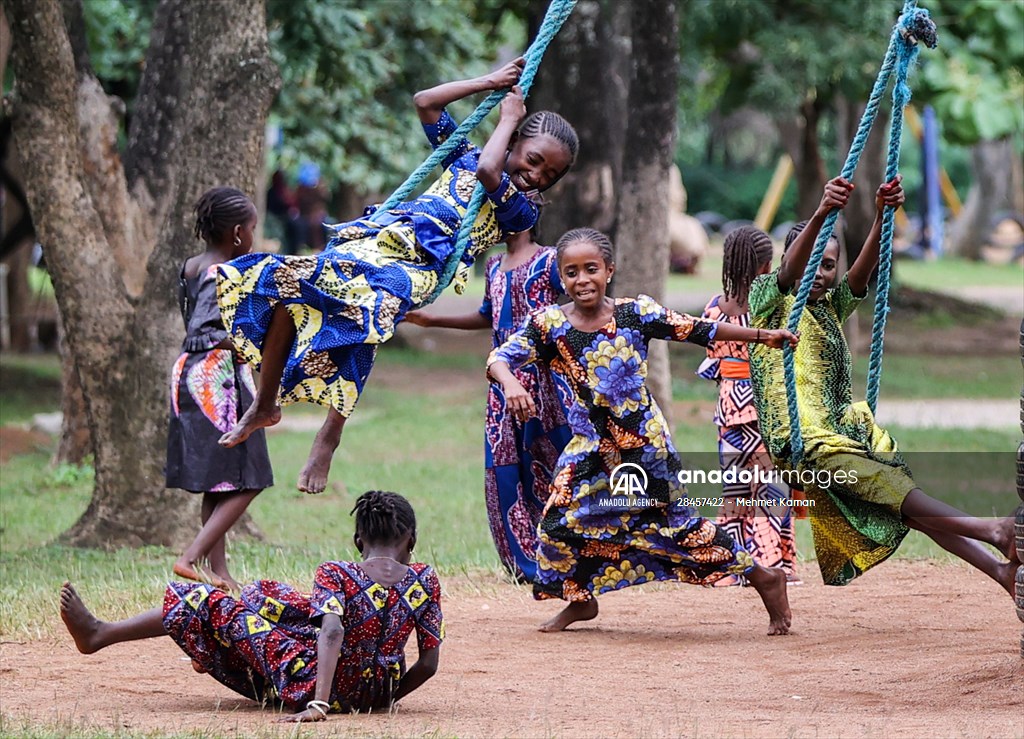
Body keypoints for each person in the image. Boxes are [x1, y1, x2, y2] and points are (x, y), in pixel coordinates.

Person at [215, 57, 579, 496]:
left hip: (418, 269)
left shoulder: (520, 209)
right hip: (381, 242)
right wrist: (489, 83)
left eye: (550, 175)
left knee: (375, 310)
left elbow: (489, 171)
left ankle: (331, 432)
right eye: (534, 159)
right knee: (288, 283)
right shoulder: (462, 156)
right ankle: (264, 402)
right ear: (518, 141)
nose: (537, 175)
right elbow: (425, 103)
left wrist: (508, 118)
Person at [487, 228, 800, 634]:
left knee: (679, 528)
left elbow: (698, 329)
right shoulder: (549, 325)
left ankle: (763, 576)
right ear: (561, 279)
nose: (582, 280)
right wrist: (511, 383)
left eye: (591, 269)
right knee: (558, 524)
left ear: (609, 271)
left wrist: (764, 336)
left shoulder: (636, 314)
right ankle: (580, 600)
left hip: (644, 448)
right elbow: (499, 358)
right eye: (571, 272)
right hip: (590, 448)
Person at [748, 174, 1019, 591]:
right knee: (894, 490)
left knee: (901, 504)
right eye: (812, 260)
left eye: (828, 264)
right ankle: (993, 530)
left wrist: (881, 216)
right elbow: (788, 274)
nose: (819, 273)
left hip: (842, 431)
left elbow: (861, 272)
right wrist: (823, 212)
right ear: (790, 258)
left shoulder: (830, 309)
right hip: (802, 440)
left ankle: (998, 571)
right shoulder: (769, 301)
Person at [59, 491, 443, 721]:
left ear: (358, 540)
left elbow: (332, 631)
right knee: (263, 593)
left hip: (311, 683)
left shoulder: (338, 572)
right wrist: (382, 698)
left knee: (203, 600)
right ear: (412, 541)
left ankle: (99, 633)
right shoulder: (426, 580)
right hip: (377, 689)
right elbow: (427, 664)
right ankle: (210, 648)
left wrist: (322, 702)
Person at [406, 229, 571, 582]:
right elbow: (489, 315)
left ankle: (571, 553)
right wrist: (431, 319)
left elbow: (577, 301)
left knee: (555, 463)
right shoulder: (494, 264)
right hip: (501, 383)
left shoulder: (549, 260)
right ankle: (526, 565)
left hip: (546, 384)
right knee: (505, 470)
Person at [167, 187, 274, 591]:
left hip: (186, 374)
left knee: (218, 480)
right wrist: (253, 345)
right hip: (219, 379)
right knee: (253, 477)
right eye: (251, 228)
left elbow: (188, 325)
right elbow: (208, 331)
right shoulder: (224, 272)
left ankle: (218, 571)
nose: (252, 235)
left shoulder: (190, 267)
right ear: (235, 234)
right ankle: (190, 558)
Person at [697, 225, 798, 586]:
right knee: (770, 487)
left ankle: (731, 568)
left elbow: (712, 362)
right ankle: (775, 565)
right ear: (763, 268)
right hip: (762, 408)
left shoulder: (713, 308)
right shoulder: (767, 308)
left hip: (727, 408)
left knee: (735, 491)